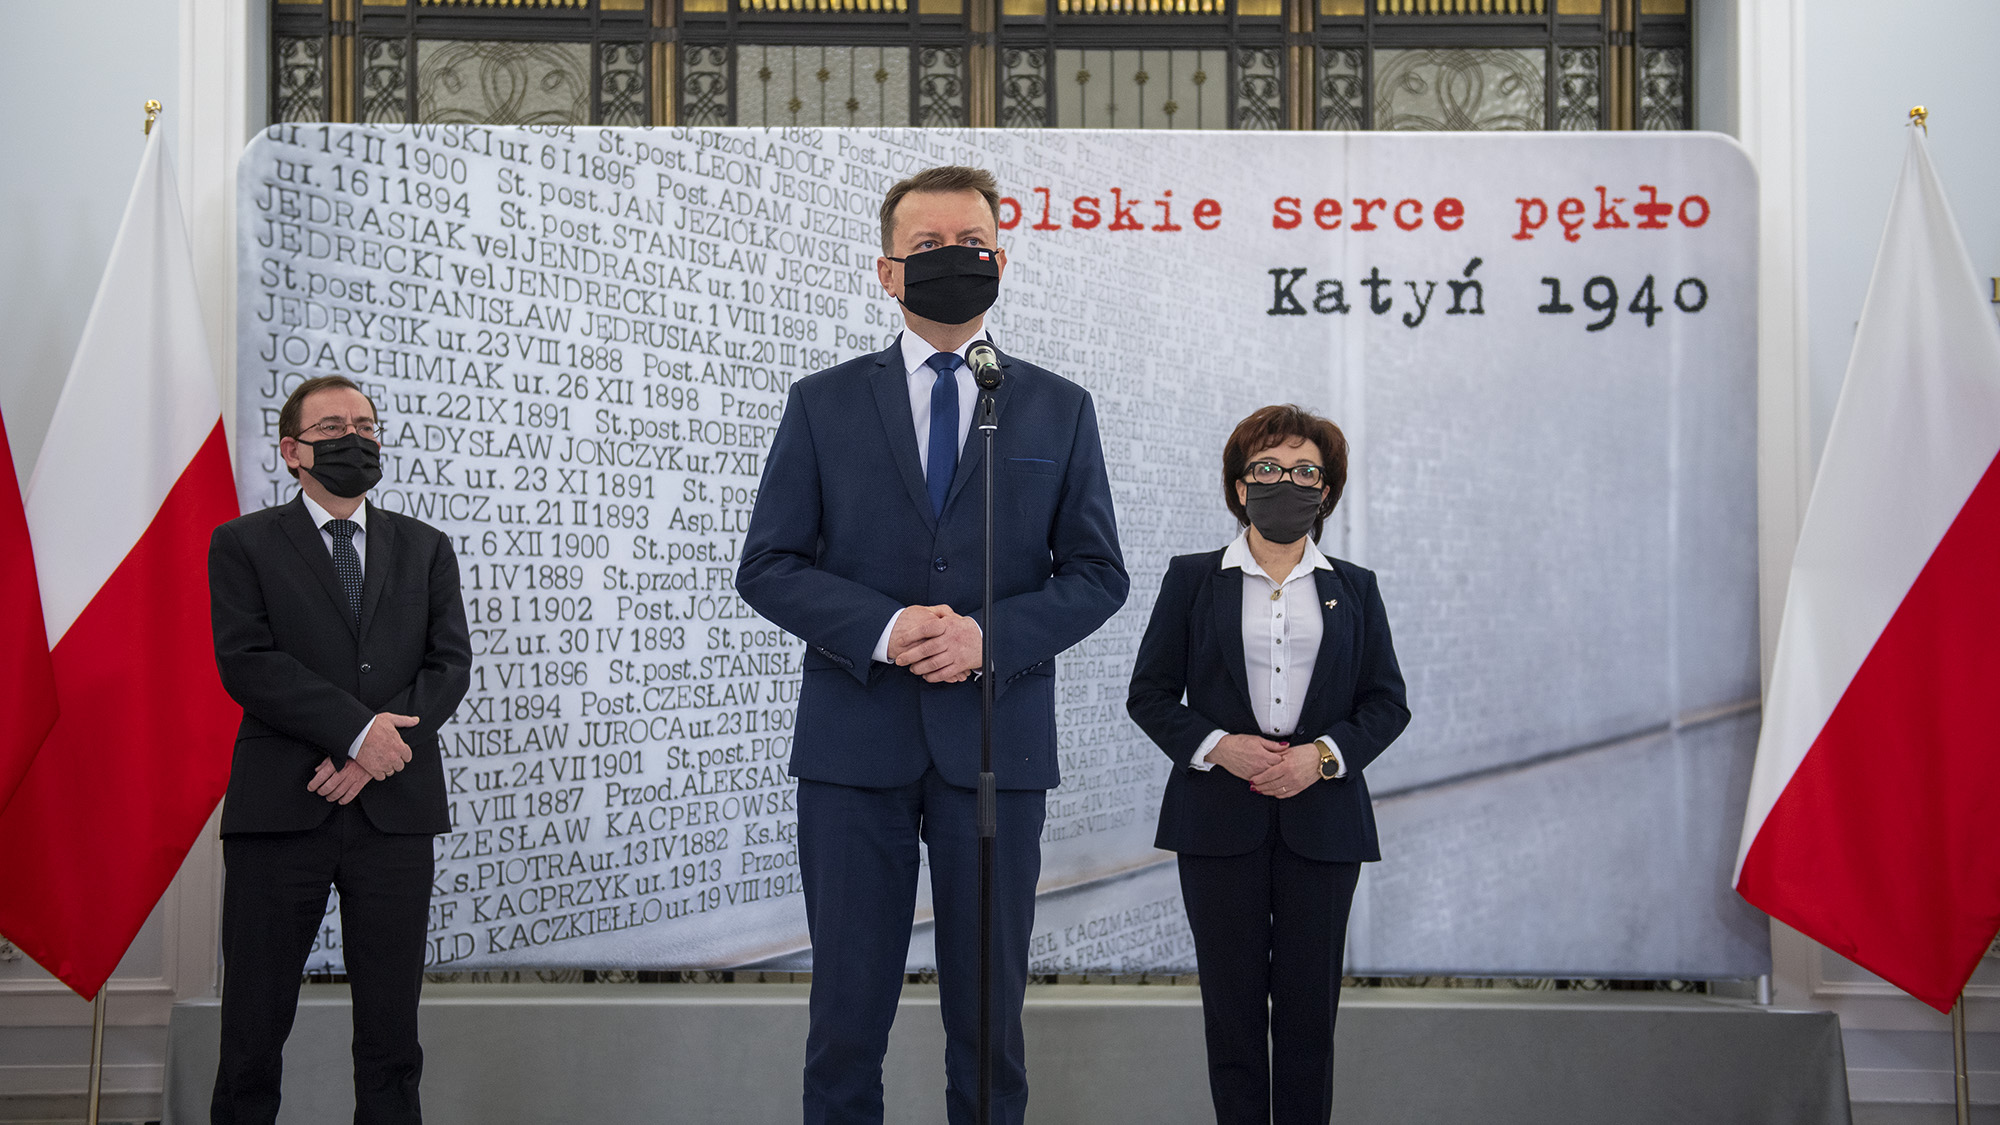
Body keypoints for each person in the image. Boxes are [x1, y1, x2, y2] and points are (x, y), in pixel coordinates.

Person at [737, 165, 1128, 1124]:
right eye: (929, 247)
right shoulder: (822, 402)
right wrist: (885, 628)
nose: (955, 260)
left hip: (996, 751)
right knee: (844, 1021)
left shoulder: (1059, 406)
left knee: (990, 1030)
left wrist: (987, 638)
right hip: (853, 749)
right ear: (887, 270)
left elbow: (1097, 573)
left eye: (972, 245)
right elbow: (769, 564)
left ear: (1002, 260)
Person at [1126, 405, 1409, 1125]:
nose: (1288, 481)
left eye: (1306, 470)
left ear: (1326, 489)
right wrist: (1220, 745)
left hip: (1325, 824)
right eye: (1268, 468)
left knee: (1311, 1018)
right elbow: (1149, 694)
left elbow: (1387, 702)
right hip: (1216, 821)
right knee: (1233, 1015)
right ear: (1239, 484)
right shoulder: (1194, 579)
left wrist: (1322, 758)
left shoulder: (1355, 586)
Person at [207, 374, 471, 1125]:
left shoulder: (426, 547)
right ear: (291, 451)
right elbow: (248, 662)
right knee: (253, 1028)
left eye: (365, 426)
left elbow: (448, 665)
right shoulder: (242, 543)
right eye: (332, 428)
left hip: (395, 814)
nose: (354, 439)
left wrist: (373, 753)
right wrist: (358, 733)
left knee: (392, 1035)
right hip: (279, 812)